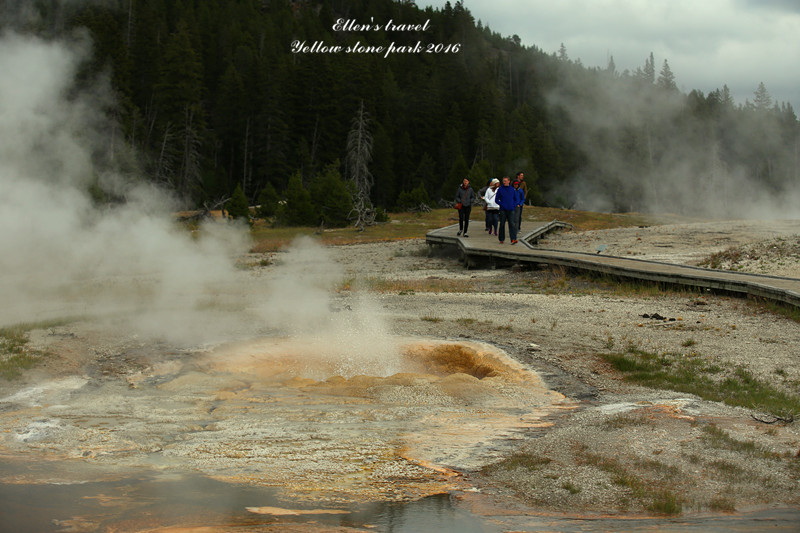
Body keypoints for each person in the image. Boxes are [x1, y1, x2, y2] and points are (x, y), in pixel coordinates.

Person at [494, 176, 518, 244]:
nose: (504, 182)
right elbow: (496, 199)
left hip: (511, 209)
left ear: (508, 181)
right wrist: (501, 204)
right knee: (502, 224)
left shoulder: (512, 189)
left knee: (512, 224)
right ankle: (501, 238)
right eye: (503, 181)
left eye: (505, 181)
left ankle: (513, 239)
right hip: (503, 210)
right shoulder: (500, 189)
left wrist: (514, 205)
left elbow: (516, 199)